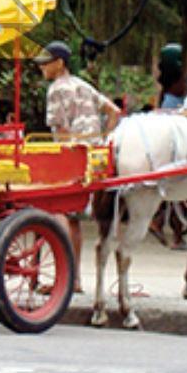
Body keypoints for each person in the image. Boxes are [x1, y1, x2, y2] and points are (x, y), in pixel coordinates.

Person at [36, 40, 120, 286]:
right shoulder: (84, 85)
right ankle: (74, 278)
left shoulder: (56, 90)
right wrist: (103, 139)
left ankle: (64, 274)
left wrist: (62, 155)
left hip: (70, 157)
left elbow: (60, 131)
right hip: (94, 157)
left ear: (59, 64)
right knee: (73, 217)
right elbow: (114, 111)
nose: (42, 68)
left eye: (46, 63)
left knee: (58, 212)